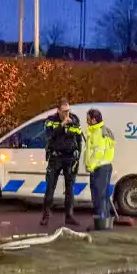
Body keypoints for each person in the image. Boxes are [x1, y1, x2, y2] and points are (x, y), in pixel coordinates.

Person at [41, 97, 83, 227]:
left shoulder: (74, 119)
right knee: (50, 187)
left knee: (70, 188)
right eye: (64, 111)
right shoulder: (50, 121)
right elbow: (49, 136)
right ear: (58, 110)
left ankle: (69, 216)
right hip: (55, 157)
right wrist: (62, 124)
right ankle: (45, 216)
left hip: (70, 158)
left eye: (68, 110)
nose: (67, 113)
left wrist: (78, 157)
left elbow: (79, 139)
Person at [84, 108, 116, 229]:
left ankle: (101, 223)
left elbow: (98, 152)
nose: (86, 120)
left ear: (93, 120)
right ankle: (103, 222)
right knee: (102, 195)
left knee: (99, 196)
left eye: (88, 118)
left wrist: (90, 166)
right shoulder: (102, 130)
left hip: (100, 167)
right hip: (104, 166)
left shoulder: (97, 132)